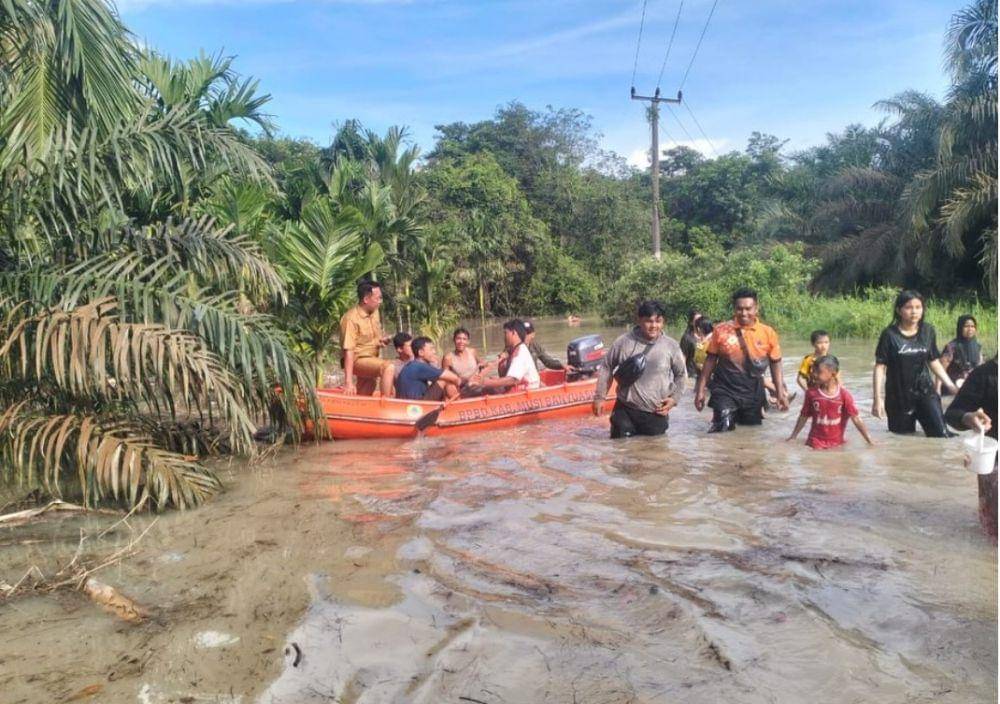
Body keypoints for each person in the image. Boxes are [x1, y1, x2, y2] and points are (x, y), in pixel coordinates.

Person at [694, 288, 788, 432]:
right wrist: (700, 390)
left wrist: (780, 393)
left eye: (748, 309)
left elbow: (776, 363)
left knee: (750, 434)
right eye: (739, 309)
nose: (744, 313)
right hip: (724, 390)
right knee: (722, 428)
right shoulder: (721, 330)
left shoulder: (768, 333)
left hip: (753, 392)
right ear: (734, 309)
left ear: (756, 308)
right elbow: (710, 361)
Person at [592, 300, 687, 439]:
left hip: (656, 412)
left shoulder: (671, 346)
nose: (654, 326)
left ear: (663, 322)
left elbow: (681, 375)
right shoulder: (623, 342)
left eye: (658, 321)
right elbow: (606, 367)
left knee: (654, 455)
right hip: (625, 410)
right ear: (639, 320)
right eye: (649, 321)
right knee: (620, 453)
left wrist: (674, 399)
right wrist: (600, 397)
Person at [872, 290, 958, 437]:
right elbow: (880, 367)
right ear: (899, 310)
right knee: (903, 440)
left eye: (918, 307)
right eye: (909, 307)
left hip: (925, 391)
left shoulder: (928, 331)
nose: (914, 312)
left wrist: (950, 385)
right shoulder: (889, 335)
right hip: (898, 397)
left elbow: (933, 361)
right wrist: (877, 399)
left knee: (942, 435)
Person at [945, 357, 998, 539]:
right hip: (994, 463)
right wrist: (968, 418)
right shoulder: (985, 375)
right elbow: (953, 414)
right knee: (993, 535)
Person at [787, 355, 874, 449]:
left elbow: (856, 419)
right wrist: (793, 436)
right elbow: (803, 416)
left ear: (833, 374)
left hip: (837, 444)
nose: (814, 375)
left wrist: (870, 441)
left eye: (818, 372)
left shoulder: (844, 395)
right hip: (815, 443)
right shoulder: (811, 394)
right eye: (813, 371)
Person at [339, 280, 394, 396]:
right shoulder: (350, 319)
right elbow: (348, 351)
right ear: (366, 299)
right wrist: (348, 382)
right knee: (388, 367)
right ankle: (387, 404)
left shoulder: (374, 312)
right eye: (378, 298)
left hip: (371, 358)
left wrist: (381, 341)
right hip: (356, 360)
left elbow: (371, 339)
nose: (380, 301)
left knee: (369, 386)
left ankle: (358, 409)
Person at [466, 320, 540, 394]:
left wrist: (484, 382)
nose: (504, 337)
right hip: (519, 387)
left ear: (514, 333)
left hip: (526, 391)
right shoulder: (513, 350)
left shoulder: (520, 352)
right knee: (487, 383)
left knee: (485, 387)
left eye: (505, 333)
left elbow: (513, 379)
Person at [395, 337, 462, 401]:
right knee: (444, 380)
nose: (434, 352)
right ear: (421, 352)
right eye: (431, 349)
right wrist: (461, 384)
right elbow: (453, 378)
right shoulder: (420, 366)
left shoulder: (412, 365)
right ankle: (460, 406)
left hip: (405, 406)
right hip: (417, 407)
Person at [938, 314, 984, 393]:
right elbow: (941, 369)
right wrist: (937, 389)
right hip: (953, 388)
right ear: (960, 328)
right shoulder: (951, 347)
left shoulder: (977, 346)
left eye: (972, 326)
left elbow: (981, 367)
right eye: (966, 326)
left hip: (972, 386)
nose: (970, 329)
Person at [680, 308, 704, 378]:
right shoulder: (687, 338)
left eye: (701, 320)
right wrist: (684, 374)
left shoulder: (707, 337)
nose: (699, 322)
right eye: (696, 320)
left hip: (704, 376)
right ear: (691, 322)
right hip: (691, 375)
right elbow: (683, 358)